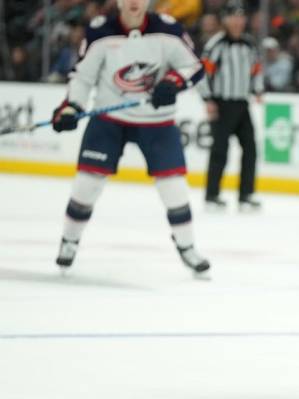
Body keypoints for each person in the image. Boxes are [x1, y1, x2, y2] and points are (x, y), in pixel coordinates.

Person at [51, 0, 210, 277]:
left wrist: (172, 82)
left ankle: (187, 246)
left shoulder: (168, 30)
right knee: (86, 185)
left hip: (156, 122)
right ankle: (69, 240)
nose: (134, 2)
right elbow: (83, 76)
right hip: (109, 121)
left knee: (174, 188)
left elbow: (193, 67)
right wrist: (71, 107)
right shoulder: (101, 31)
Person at [199, 3, 263, 211]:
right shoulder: (216, 44)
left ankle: (245, 195)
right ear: (225, 20)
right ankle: (212, 195)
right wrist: (208, 100)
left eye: (240, 17)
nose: (237, 22)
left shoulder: (249, 44)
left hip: (242, 104)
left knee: (251, 150)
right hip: (221, 104)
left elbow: (256, 69)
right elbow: (203, 74)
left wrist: (258, 90)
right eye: (233, 17)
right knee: (219, 151)